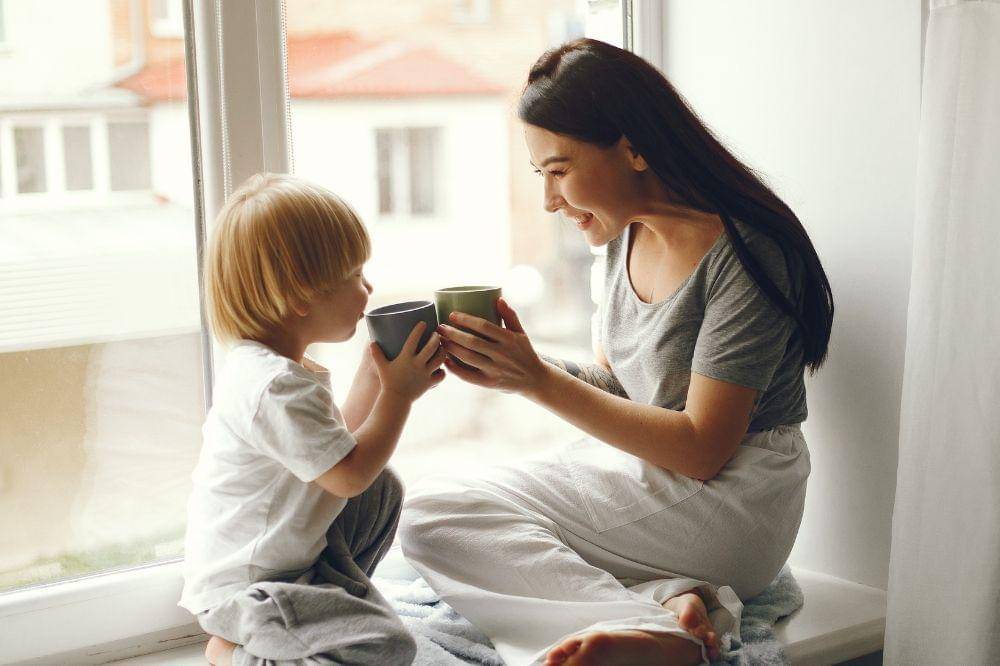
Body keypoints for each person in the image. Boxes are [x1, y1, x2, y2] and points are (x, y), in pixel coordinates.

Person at [399, 38, 834, 666]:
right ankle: (668, 602)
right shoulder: (621, 236)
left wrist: (538, 383)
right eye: (540, 176)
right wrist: (521, 366)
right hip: (656, 476)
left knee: (436, 517)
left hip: (736, 495)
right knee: (433, 507)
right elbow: (621, 388)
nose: (550, 200)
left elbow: (703, 448)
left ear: (633, 147)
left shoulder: (747, 253)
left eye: (559, 170)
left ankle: (665, 637)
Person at [179, 173, 445, 666]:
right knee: (389, 646)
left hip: (292, 565)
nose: (369, 287)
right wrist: (398, 398)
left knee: (380, 489)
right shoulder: (271, 385)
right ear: (301, 295)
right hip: (251, 590)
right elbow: (346, 475)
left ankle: (329, 604)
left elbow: (333, 453)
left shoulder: (282, 369)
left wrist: (374, 379)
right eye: (354, 275)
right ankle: (235, 654)